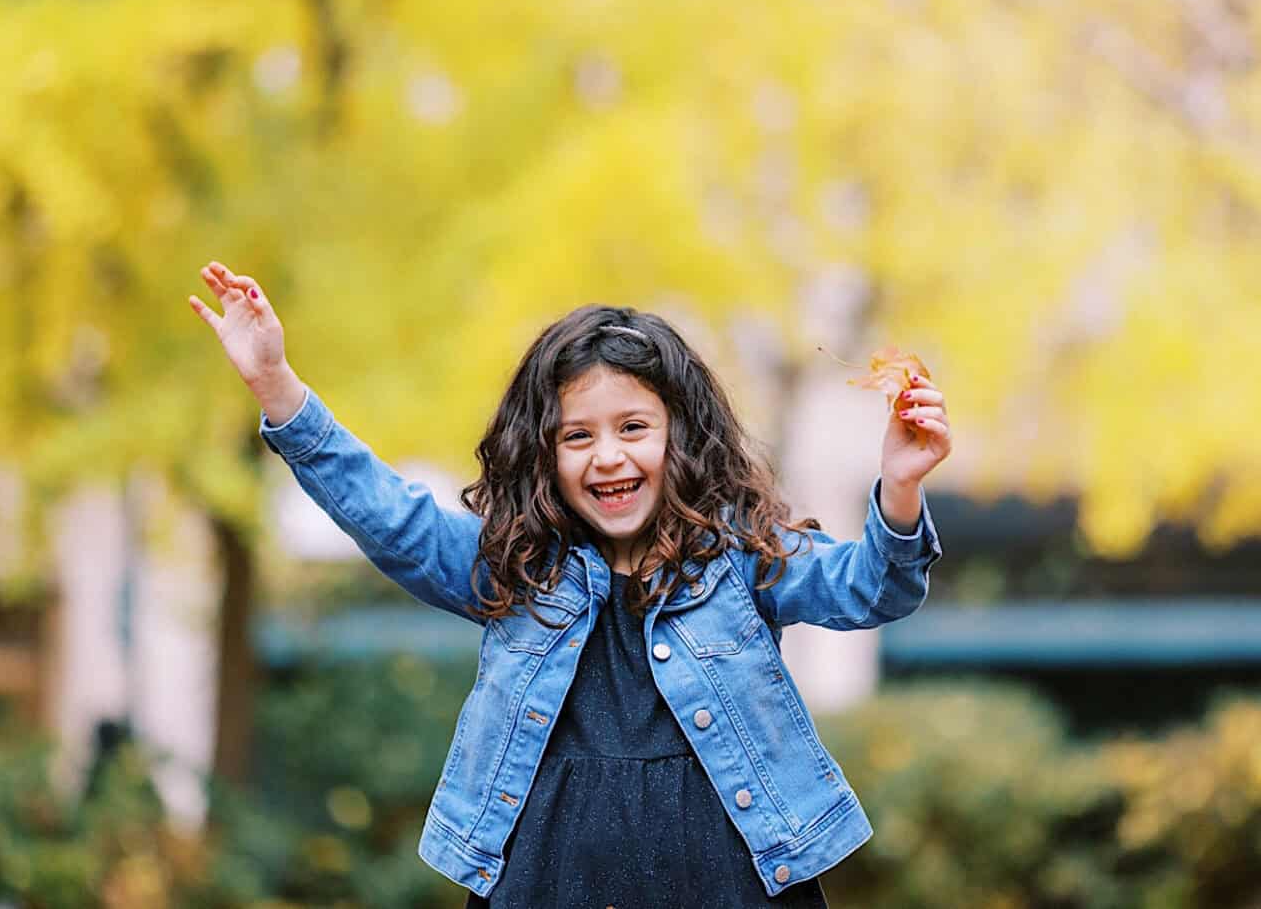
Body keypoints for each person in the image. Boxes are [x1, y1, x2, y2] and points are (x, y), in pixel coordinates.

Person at [186, 262, 951, 906]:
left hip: (725, 882)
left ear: (680, 437)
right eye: (576, 436)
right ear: (543, 456)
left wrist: (900, 490)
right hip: (546, 882)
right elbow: (392, 518)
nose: (607, 457)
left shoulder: (738, 554)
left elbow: (870, 590)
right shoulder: (519, 566)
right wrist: (278, 387)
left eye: (633, 428)